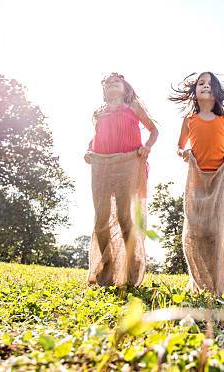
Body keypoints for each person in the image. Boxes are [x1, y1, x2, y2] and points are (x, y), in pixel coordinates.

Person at [85, 72, 159, 287]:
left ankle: (130, 266)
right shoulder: (99, 113)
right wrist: (89, 150)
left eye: (116, 82)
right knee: (101, 217)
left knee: (126, 216)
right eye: (108, 83)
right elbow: (97, 137)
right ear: (104, 91)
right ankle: (106, 267)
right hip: (102, 165)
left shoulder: (133, 107)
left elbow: (154, 130)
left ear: (125, 88)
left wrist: (147, 146)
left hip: (128, 164)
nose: (112, 84)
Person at [170, 72, 224, 295]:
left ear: (217, 92)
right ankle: (197, 282)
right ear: (194, 91)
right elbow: (179, 146)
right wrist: (185, 152)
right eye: (201, 83)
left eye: (210, 84)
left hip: (218, 178)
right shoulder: (189, 120)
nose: (206, 86)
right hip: (196, 178)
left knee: (215, 231)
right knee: (196, 230)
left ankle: (218, 284)